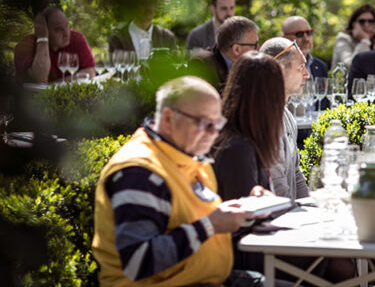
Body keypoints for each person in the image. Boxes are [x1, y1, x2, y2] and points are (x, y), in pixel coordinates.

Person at [91, 76, 257, 287]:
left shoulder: (189, 157)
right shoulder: (139, 171)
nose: (213, 134)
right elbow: (138, 261)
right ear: (168, 118)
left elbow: (197, 221)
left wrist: (249, 211)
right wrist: (211, 224)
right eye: (205, 124)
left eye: (217, 125)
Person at [212, 53, 354, 283]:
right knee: (339, 263)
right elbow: (242, 224)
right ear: (265, 96)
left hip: (266, 239)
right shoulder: (237, 148)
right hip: (248, 254)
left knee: (340, 251)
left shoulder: (249, 137)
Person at [259, 37, 310, 200]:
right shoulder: (265, 119)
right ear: (279, 69)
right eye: (301, 67)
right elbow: (278, 187)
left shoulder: (286, 115)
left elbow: (295, 174)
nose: (307, 74)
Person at [14, 7, 96, 83]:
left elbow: (90, 71)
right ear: (44, 30)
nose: (66, 33)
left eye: (67, 25)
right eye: (58, 29)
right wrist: (43, 39)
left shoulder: (76, 38)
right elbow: (40, 79)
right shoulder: (26, 45)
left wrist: (57, 84)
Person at [189, 16, 259, 92]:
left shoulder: (246, 65)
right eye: (254, 45)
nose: (258, 48)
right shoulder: (202, 64)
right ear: (236, 49)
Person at [108, 0, 175, 58]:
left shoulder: (166, 37)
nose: (148, 7)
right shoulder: (118, 38)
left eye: (151, 2)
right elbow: (116, 66)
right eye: (143, 3)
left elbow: (174, 65)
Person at [331, 3, 375, 69]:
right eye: (362, 21)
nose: (366, 25)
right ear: (353, 23)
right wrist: (365, 41)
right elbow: (350, 65)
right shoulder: (344, 39)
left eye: (371, 21)